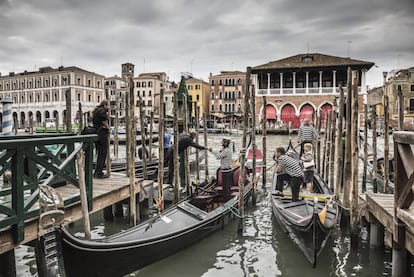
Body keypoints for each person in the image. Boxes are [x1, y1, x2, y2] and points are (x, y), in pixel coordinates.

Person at [92, 100, 110, 179]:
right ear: (105, 105)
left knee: (99, 153)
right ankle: (98, 173)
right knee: (103, 153)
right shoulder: (103, 111)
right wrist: (108, 128)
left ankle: (97, 172)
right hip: (102, 133)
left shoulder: (95, 110)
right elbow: (104, 119)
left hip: (96, 133)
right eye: (108, 105)